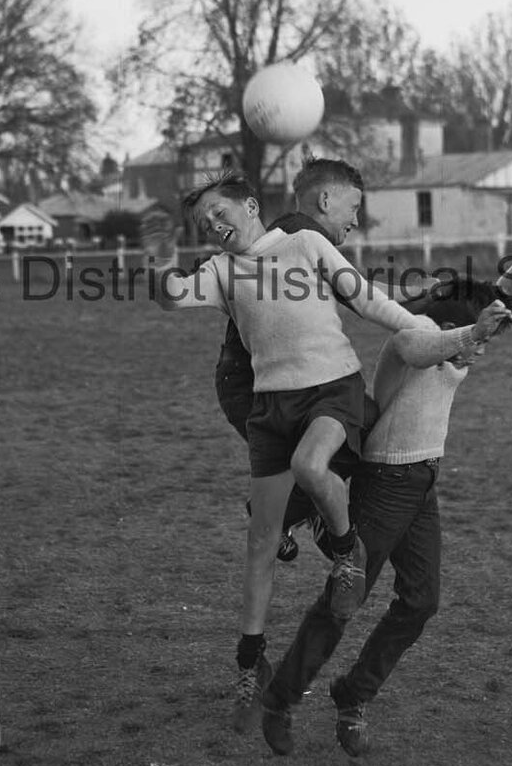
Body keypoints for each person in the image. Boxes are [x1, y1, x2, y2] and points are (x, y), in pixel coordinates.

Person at [145, 168, 478, 734]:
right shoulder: (222, 272)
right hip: (270, 408)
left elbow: (373, 306)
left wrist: (449, 335)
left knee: (311, 463)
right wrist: (157, 261)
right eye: (204, 225)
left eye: (220, 215)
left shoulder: (305, 243)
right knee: (260, 540)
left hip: (332, 390)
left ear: (251, 206)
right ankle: (251, 665)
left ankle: (347, 551)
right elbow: (173, 298)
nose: (214, 227)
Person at [259, 219, 512, 759]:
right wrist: (473, 334)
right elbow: (431, 346)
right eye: (475, 339)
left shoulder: (458, 330)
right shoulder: (410, 338)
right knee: (344, 600)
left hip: (422, 482)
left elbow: (498, 301)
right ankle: (280, 699)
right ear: (450, 324)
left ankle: (352, 695)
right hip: (384, 486)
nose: (479, 354)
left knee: (421, 602)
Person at [212, 155, 369, 565]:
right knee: (359, 435)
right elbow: (361, 295)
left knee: (332, 446)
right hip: (255, 384)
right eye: (353, 207)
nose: (356, 219)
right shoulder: (300, 232)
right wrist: (430, 292)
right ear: (325, 200)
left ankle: (299, 514)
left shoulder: (291, 231)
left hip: (255, 381)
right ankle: (290, 516)